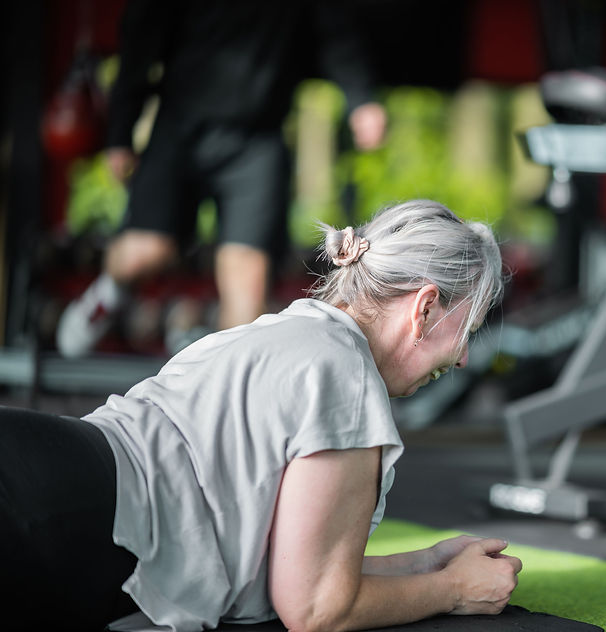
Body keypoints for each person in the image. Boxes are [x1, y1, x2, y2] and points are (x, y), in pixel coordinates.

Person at [1, 200, 519, 631]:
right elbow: (315, 609)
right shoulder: (347, 373)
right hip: (49, 517)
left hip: (45, 473)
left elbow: (292, 568)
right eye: (467, 331)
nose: (464, 358)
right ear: (424, 308)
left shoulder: (290, 331)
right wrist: (453, 589)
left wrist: (424, 562)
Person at [56, 0, 388, 358]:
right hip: (178, 131)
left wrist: (361, 99)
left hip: (257, 141)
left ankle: (226, 386)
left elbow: (336, 33)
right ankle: (106, 297)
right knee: (142, 253)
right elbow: (141, 40)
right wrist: (120, 135)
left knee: (248, 285)